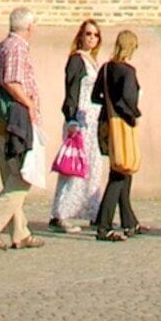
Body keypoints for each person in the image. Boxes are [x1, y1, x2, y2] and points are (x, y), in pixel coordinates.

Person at [0, 6, 44, 248]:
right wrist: (29, 104)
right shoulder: (17, 47)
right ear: (29, 27)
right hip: (15, 120)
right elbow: (11, 81)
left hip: (3, 117)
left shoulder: (3, 45)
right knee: (22, 175)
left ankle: (21, 233)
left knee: (10, 174)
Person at [50, 17, 106, 234]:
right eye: (88, 34)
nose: (91, 38)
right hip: (80, 119)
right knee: (73, 167)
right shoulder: (76, 60)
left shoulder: (93, 61)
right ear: (81, 36)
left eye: (95, 35)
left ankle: (90, 211)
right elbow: (71, 90)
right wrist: (71, 118)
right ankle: (61, 213)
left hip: (93, 120)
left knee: (91, 166)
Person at [93, 27, 148, 240]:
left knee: (123, 173)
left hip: (106, 124)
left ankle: (129, 222)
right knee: (119, 173)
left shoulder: (106, 68)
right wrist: (133, 116)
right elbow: (125, 100)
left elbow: (95, 96)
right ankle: (104, 226)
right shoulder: (128, 71)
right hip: (122, 126)